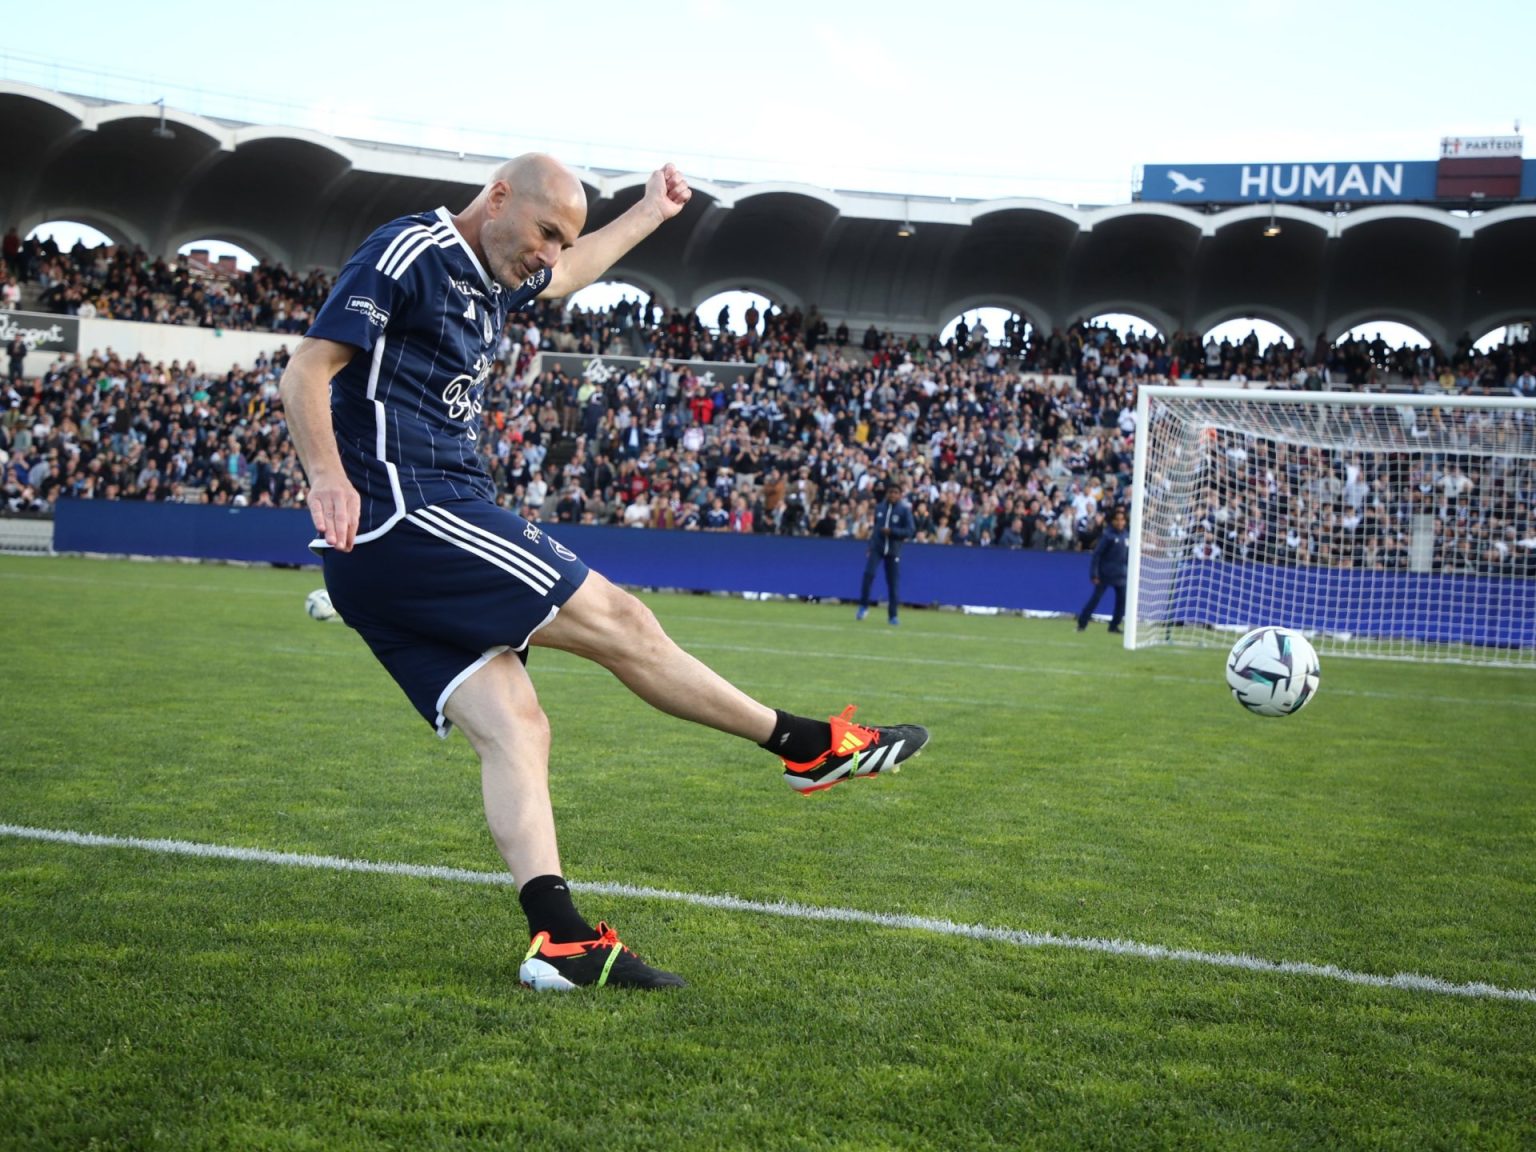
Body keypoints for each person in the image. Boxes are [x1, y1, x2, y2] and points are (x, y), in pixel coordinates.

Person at [278, 154, 929, 993]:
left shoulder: (496, 276)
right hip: (413, 514)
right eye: (546, 231)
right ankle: (807, 746)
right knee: (624, 624)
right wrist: (326, 476)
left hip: (385, 556)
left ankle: (562, 943)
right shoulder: (412, 250)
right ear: (498, 197)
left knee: (517, 725)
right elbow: (307, 369)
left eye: (562, 239)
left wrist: (651, 213)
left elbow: (568, 277)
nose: (550, 253)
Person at [856, 477, 916, 625]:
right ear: (887, 493)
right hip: (878, 547)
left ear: (900, 495)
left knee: (893, 583)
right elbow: (876, 530)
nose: (893, 495)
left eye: (896, 493)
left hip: (893, 550)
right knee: (868, 574)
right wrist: (870, 546)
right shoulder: (880, 508)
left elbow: (910, 530)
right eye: (891, 492)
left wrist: (893, 532)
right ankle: (864, 606)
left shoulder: (904, 511)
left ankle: (893, 615)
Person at [1076, 505, 1130, 634]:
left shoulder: (1127, 535)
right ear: (1112, 521)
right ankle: (1082, 624)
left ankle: (1114, 626)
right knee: (1095, 599)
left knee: (1121, 602)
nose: (1120, 522)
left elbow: (1128, 555)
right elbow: (1097, 555)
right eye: (1117, 519)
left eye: (1122, 520)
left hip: (1121, 575)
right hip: (1105, 574)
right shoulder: (1108, 536)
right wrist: (1094, 573)